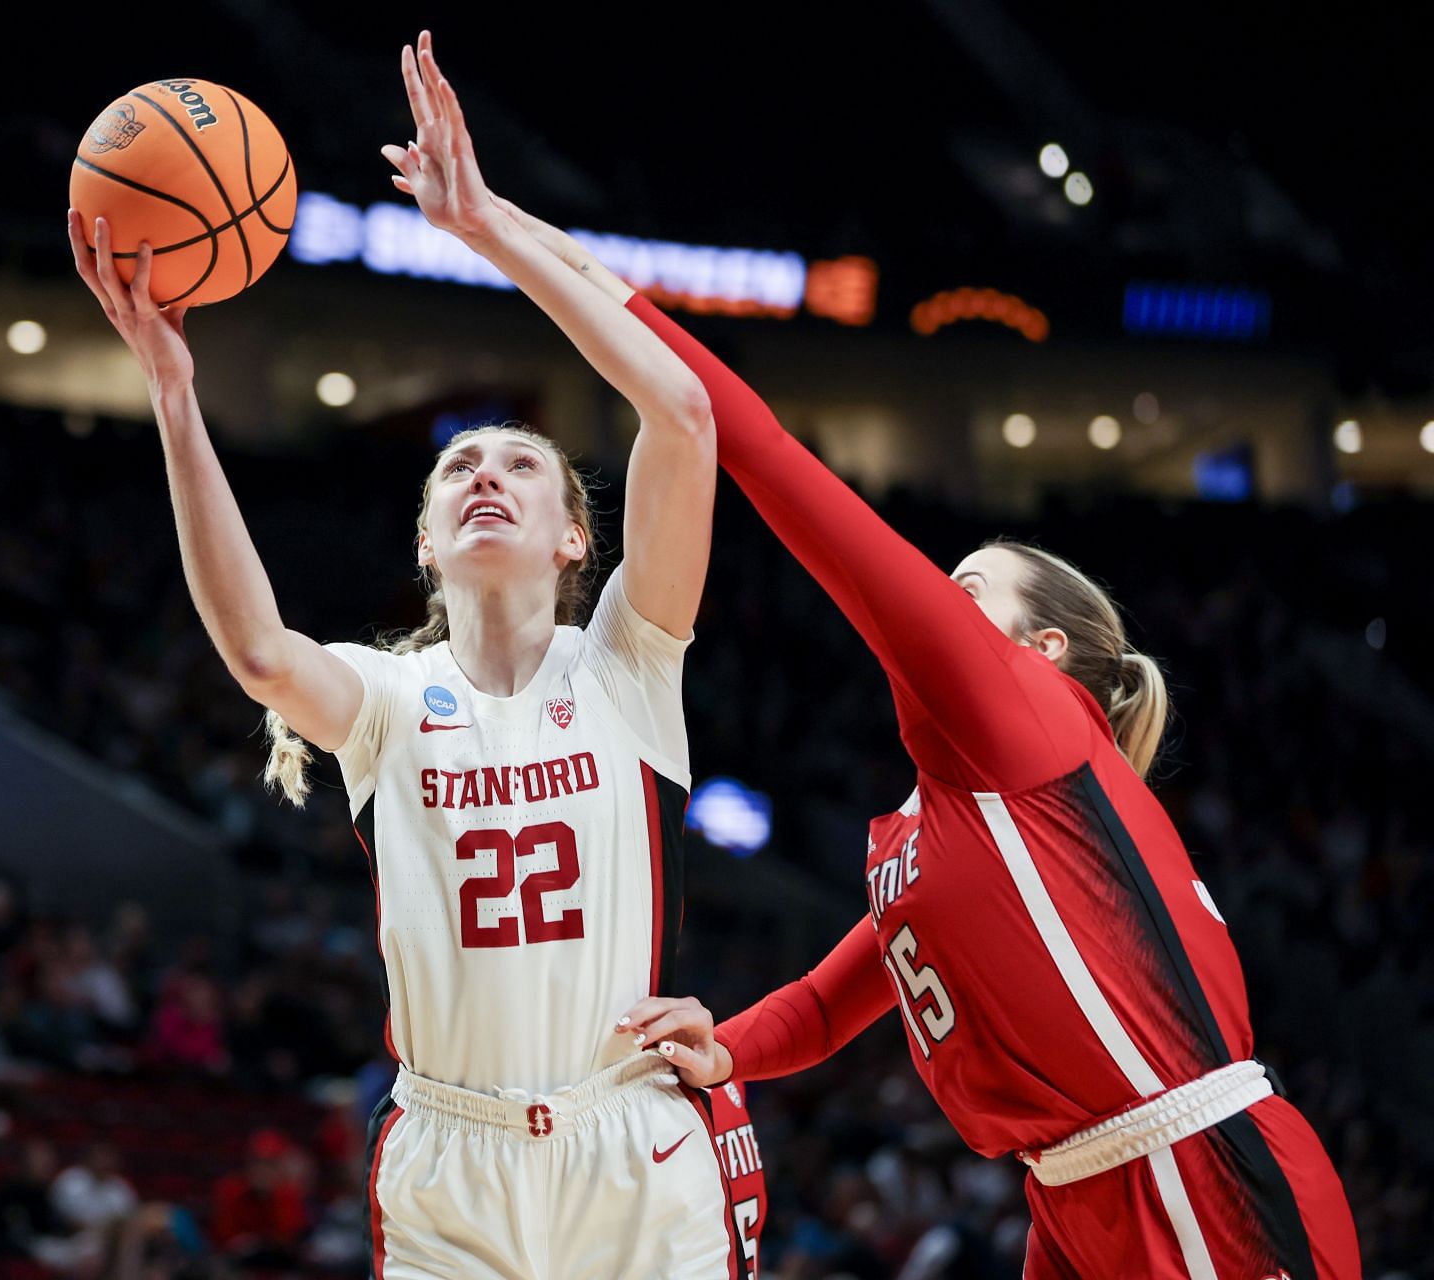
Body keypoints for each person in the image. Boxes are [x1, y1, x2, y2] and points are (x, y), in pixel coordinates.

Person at [499, 212, 1367, 1276]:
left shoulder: (1025, 720)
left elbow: (764, 449)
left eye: (964, 591)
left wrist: (504, 234)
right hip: (1072, 1189)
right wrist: (731, 1043)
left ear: (1040, 646)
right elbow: (830, 1001)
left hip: (1197, 1170)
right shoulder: (936, 824)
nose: (941, 610)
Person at [69, 29, 737, 1279]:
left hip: (629, 1147)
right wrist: (173, 392)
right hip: (450, 1156)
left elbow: (684, 411)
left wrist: (486, 231)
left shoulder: (630, 666)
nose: (486, 472)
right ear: (428, 544)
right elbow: (262, 652)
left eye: (520, 463)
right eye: (457, 470)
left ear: (575, 538)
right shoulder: (388, 700)